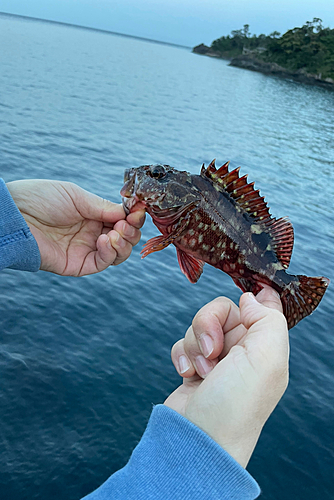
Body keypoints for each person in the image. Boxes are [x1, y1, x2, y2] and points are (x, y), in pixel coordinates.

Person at [0, 178, 290, 499]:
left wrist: (17, 219)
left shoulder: (186, 208)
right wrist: (206, 446)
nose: (147, 178)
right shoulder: (174, 210)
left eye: (159, 175)